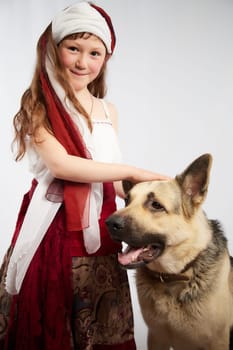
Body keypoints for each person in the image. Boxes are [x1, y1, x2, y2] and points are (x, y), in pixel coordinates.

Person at [0, 2, 169, 349]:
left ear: (104, 60)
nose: (82, 62)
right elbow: (62, 165)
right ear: (54, 47)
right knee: (53, 312)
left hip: (102, 225)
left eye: (94, 53)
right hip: (53, 228)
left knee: (99, 315)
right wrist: (133, 170)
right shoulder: (39, 104)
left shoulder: (108, 110)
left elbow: (108, 179)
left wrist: (151, 198)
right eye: (73, 48)